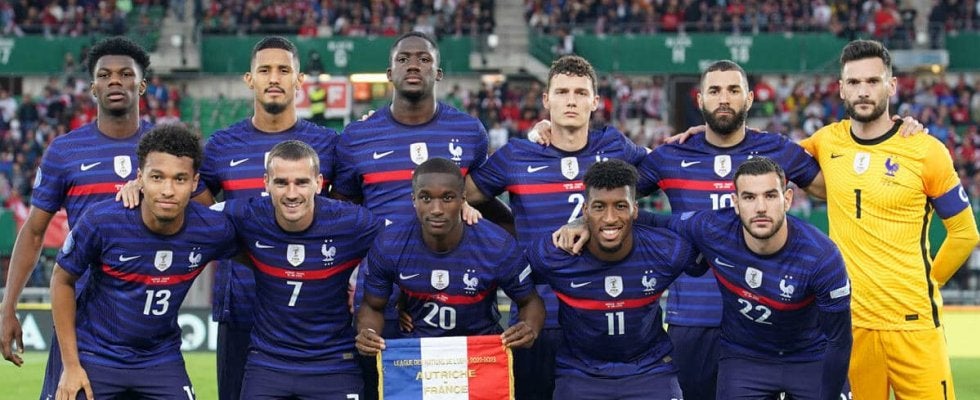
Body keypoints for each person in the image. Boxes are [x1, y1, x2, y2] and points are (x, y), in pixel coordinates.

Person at [116, 36, 340, 400]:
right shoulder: (222, 145)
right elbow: (194, 203)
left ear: (299, 80)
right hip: (242, 305)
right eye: (264, 70)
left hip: (315, 308)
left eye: (283, 70)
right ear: (249, 79)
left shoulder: (329, 144)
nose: (274, 78)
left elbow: (346, 215)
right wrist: (141, 185)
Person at [798, 39, 979, 400]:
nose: (863, 91)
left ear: (891, 86)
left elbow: (964, 233)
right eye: (854, 82)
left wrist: (930, 282)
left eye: (873, 81)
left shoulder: (925, 150)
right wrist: (701, 135)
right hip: (851, 326)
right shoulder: (827, 141)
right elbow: (767, 157)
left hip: (914, 325)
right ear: (841, 89)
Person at [464, 54, 648, 399]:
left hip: (601, 318)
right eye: (562, 92)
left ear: (595, 101)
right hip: (537, 319)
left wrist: (700, 132)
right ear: (546, 100)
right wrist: (503, 222)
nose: (571, 101)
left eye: (581, 93)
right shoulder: (516, 155)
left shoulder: (614, 146)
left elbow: (665, 167)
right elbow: (459, 195)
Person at [331, 31, 489, 400]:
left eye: (423, 58)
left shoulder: (469, 131)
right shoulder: (357, 137)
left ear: (439, 73)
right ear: (389, 73)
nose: (413, 65)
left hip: (453, 296)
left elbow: (484, 204)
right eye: (403, 59)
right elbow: (342, 216)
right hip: (379, 299)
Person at [0, 36, 153, 395]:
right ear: (93, 87)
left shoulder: (165, 147)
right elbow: (34, 232)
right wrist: (8, 306)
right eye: (105, 75)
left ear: (142, 85)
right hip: (79, 313)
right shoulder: (65, 151)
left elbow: (202, 216)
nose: (115, 81)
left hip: (147, 314)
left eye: (125, 74)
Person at [50, 124, 237, 399]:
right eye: (157, 177)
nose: (168, 190)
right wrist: (70, 366)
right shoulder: (102, 221)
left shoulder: (212, 228)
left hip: (160, 359)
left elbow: (260, 251)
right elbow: (61, 280)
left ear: (195, 182)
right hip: (96, 354)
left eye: (180, 179)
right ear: (140, 178)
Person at [669, 157, 851, 400]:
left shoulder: (822, 256)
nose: (761, 207)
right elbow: (653, 222)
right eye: (749, 197)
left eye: (770, 195)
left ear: (787, 199)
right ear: (736, 203)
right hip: (745, 357)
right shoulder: (712, 228)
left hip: (811, 356)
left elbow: (839, 340)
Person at [218, 140, 383, 399]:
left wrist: (398, 298)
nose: (292, 193)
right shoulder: (246, 215)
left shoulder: (351, 221)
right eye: (281, 183)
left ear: (319, 183)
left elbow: (401, 248)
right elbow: (190, 219)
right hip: (268, 363)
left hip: (334, 363)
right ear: (266, 183)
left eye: (302, 182)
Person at [528, 159, 699, 399]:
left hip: (650, 371)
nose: (609, 218)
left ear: (635, 210)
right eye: (599, 207)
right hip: (580, 374)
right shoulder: (555, 253)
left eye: (620, 206)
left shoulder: (666, 250)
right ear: (585, 211)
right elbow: (511, 276)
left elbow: (709, 255)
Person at [355, 157, 544, 355]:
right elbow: (372, 306)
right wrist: (369, 332)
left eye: (447, 198)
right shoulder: (389, 244)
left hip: (480, 354)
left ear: (463, 199)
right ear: (414, 200)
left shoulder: (497, 245)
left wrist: (529, 327)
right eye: (426, 198)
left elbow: (530, 301)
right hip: (416, 355)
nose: (436, 210)